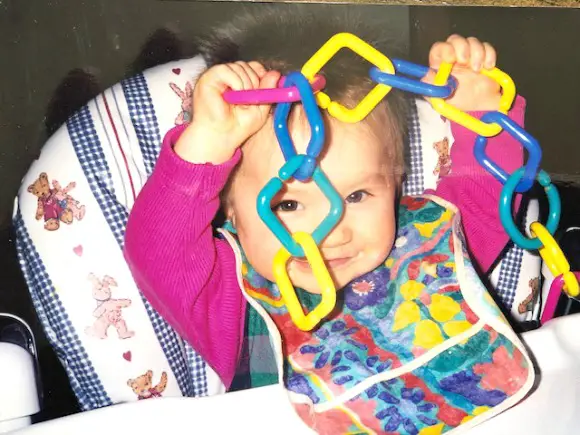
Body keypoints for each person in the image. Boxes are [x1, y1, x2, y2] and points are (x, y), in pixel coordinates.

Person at [124, 8, 525, 393]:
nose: (328, 233)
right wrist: (207, 143)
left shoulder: (429, 249)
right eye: (288, 205)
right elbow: (158, 250)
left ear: (395, 183)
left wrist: (480, 114)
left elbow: (484, 201)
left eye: (356, 195)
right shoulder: (229, 297)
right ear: (227, 205)